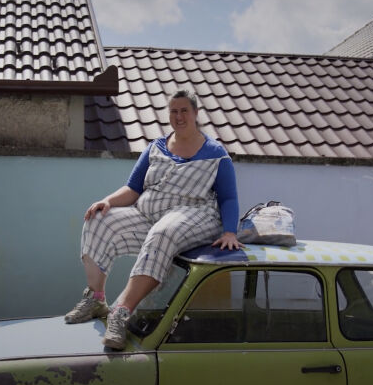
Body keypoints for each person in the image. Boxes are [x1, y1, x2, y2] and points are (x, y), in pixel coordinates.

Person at [65, 89, 243, 350]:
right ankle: (96, 299)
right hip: (148, 216)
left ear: (195, 113)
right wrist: (108, 201)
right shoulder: (155, 147)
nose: (179, 116)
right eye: (174, 111)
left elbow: (228, 198)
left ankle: (121, 313)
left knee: (163, 232)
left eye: (184, 110)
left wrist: (230, 232)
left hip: (194, 216)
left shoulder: (216, 154)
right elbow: (133, 189)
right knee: (98, 219)